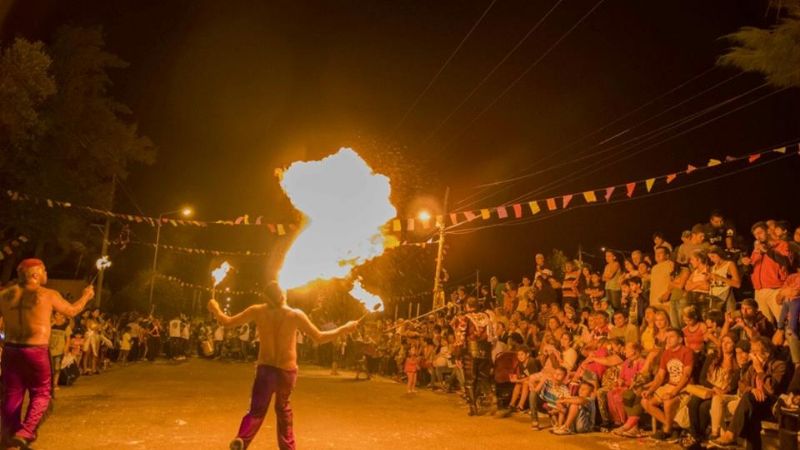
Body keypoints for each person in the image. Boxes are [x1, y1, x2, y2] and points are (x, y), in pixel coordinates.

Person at [207, 281, 358, 450]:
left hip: (265, 369)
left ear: (266, 297)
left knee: (256, 410)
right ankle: (288, 447)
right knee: (283, 409)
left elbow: (226, 322)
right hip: (286, 370)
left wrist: (215, 308)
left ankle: (242, 438)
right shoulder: (295, 314)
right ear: (283, 295)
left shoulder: (257, 310)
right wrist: (345, 328)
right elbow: (319, 337)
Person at [0, 259, 94, 449]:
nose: (46, 274)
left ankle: (9, 437)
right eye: (44, 270)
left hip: (11, 350)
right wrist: (86, 296)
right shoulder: (48, 294)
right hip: (36, 351)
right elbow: (71, 311)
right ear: (35, 274)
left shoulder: (4, 295)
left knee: (12, 394)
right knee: (42, 394)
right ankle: (25, 432)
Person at [641, 328, 694, 442]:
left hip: (684, 387)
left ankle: (667, 430)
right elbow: (660, 376)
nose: (668, 340)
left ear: (680, 339)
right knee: (645, 401)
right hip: (669, 385)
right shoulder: (666, 353)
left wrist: (673, 393)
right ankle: (672, 427)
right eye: (667, 337)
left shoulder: (687, 351)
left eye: (672, 337)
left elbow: (686, 375)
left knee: (668, 402)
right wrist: (650, 390)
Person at [451, 297, 495, 416]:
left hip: (471, 351)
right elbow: (492, 337)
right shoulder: (487, 316)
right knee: (483, 377)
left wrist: (457, 355)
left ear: (467, 306)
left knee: (470, 380)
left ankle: (473, 407)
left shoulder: (465, 318)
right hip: (486, 350)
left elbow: (460, 338)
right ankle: (492, 398)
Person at [742, 221, 791, 323]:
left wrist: (767, 250)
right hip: (759, 291)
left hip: (775, 290)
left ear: (768, 231)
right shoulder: (756, 249)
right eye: (755, 235)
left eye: (760, 232)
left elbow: (785, 262)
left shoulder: (781, 245)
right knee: (764, 324)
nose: (758, 236)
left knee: (782, 322)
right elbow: (751, 270)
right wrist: (746, 265)